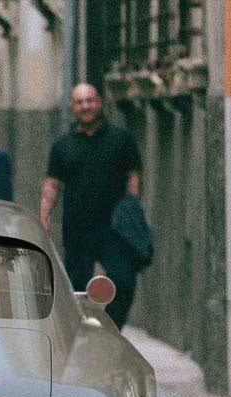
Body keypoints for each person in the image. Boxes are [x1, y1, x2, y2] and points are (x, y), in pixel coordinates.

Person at [40, 83, 143, 328]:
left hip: (115, 229)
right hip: (78, 229)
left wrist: (133, 209)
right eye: (79, 102)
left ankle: (111, 331)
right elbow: (52, 184)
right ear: (72, 107)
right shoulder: (63, 145)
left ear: (100, 102)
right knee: (76, 292)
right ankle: (82, 335)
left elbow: (133, 176)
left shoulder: (122, 139)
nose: (85, 106)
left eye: (90, 100)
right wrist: (44, 218)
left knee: (124, 282)